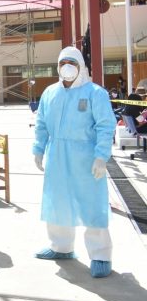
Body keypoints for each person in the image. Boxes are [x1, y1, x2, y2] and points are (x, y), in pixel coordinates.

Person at [33, 46, 116, 278]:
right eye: (62, 63)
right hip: (57, 155)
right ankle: (61, 247)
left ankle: (100, 255)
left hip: (86, 157)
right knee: (57, 202)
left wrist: (101, 156)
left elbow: (105, 126)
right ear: (57, 66)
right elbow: (41, 123)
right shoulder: (50, 93)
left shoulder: (95, 93)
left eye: (72, 62)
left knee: (92, 205)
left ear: (81, 66)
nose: (66, 67)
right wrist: (38, 149)